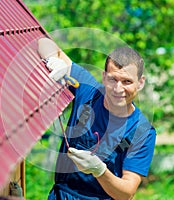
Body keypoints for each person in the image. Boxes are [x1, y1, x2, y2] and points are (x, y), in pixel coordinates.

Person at [38, 38, 156, 200]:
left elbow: (127, 193)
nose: (118, 88)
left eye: (127, 81)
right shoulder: (88, 91)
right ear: (104, 77)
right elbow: (44, 43)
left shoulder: (142, 131)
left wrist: (100, 171)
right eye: (113, 79)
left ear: (140, 83)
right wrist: (53, 61)